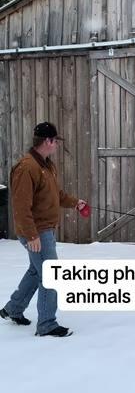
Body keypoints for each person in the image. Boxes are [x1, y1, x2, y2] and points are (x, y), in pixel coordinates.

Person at [0, 122, 86, 337]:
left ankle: (13, 309)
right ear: (47, 141)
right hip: (36, 231)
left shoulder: (46, 166)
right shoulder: (26, 167)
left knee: (35, 271)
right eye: (55, 141)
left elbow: (55, 195)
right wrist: (31, 235)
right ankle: (47, 324)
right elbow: (20, 206)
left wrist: (75, 202)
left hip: (44, 230)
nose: (56, 145)